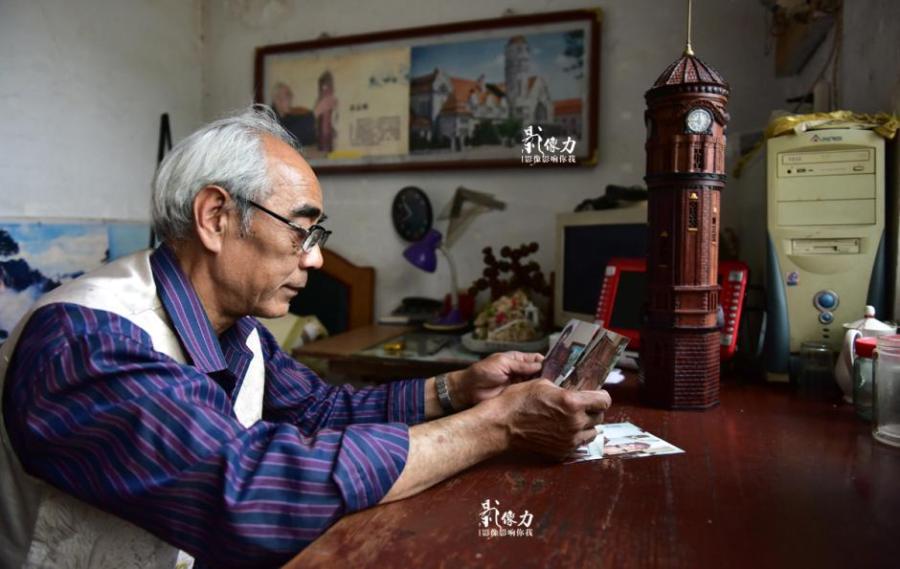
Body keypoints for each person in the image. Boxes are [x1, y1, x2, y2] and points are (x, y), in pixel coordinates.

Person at [0, 106, 611, 569]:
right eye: (302, 231)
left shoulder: (238, 329)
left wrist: (456, 389)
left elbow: (318, 408)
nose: (315, 261)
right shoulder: (85, 341)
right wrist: (495, 426)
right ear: (215, 218)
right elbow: (248, 494)